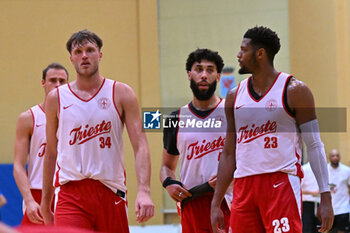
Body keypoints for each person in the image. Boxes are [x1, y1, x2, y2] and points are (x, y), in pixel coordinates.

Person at [210, 26, 334, 233]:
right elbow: (229, 152)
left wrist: (325, 194)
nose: (238, 55)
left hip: (281, 182)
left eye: (243, 50)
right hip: (243, 187)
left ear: (260, 53)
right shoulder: (233, 95)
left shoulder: (295, 90)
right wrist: (216, 202)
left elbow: (314, 144)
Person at [40, 29, 154, 233]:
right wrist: (45, 202)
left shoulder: (122, 92)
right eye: (78, 51)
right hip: (70, 193)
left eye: (90, 50)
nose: (84, 55)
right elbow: (50, 153)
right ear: (71, 59)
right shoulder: (56, 98)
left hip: (110, 189)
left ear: (100, 54)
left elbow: (141, 145)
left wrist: (144, 191)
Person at [160, 48, 232, 233]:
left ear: (217, 77)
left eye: (209, 70)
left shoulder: (233, 111)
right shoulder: (175, 118)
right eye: (198, 69)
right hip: (193, 203)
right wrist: (169, 183)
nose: (203, 75)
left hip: (230, 201)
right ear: (189, 75)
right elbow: (166, 166)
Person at [13, 63, 69, 225]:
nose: (58, 84)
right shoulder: (29, 118)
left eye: (62, 81)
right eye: (53, 80)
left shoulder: (76, 117)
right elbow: (18, 165)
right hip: (38, 192)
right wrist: (29, 200)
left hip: (68, 192)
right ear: (43, 83)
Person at [328, 149, 350, 233]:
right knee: (328, 230)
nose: (335, 158)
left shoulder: (347, 170)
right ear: (329, 157)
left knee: (342, 230)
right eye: (333, 156)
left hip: (343, 207)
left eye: (337, 155)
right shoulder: (324, 170)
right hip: (329, 208)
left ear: (340, 157)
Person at [301, 161, 321, 233]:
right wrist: (312, 192)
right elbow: (297, 189)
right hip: (307, 204)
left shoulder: (323, 169)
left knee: (319, 229)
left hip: (320, 204)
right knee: (307, 229)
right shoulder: (304, 169)